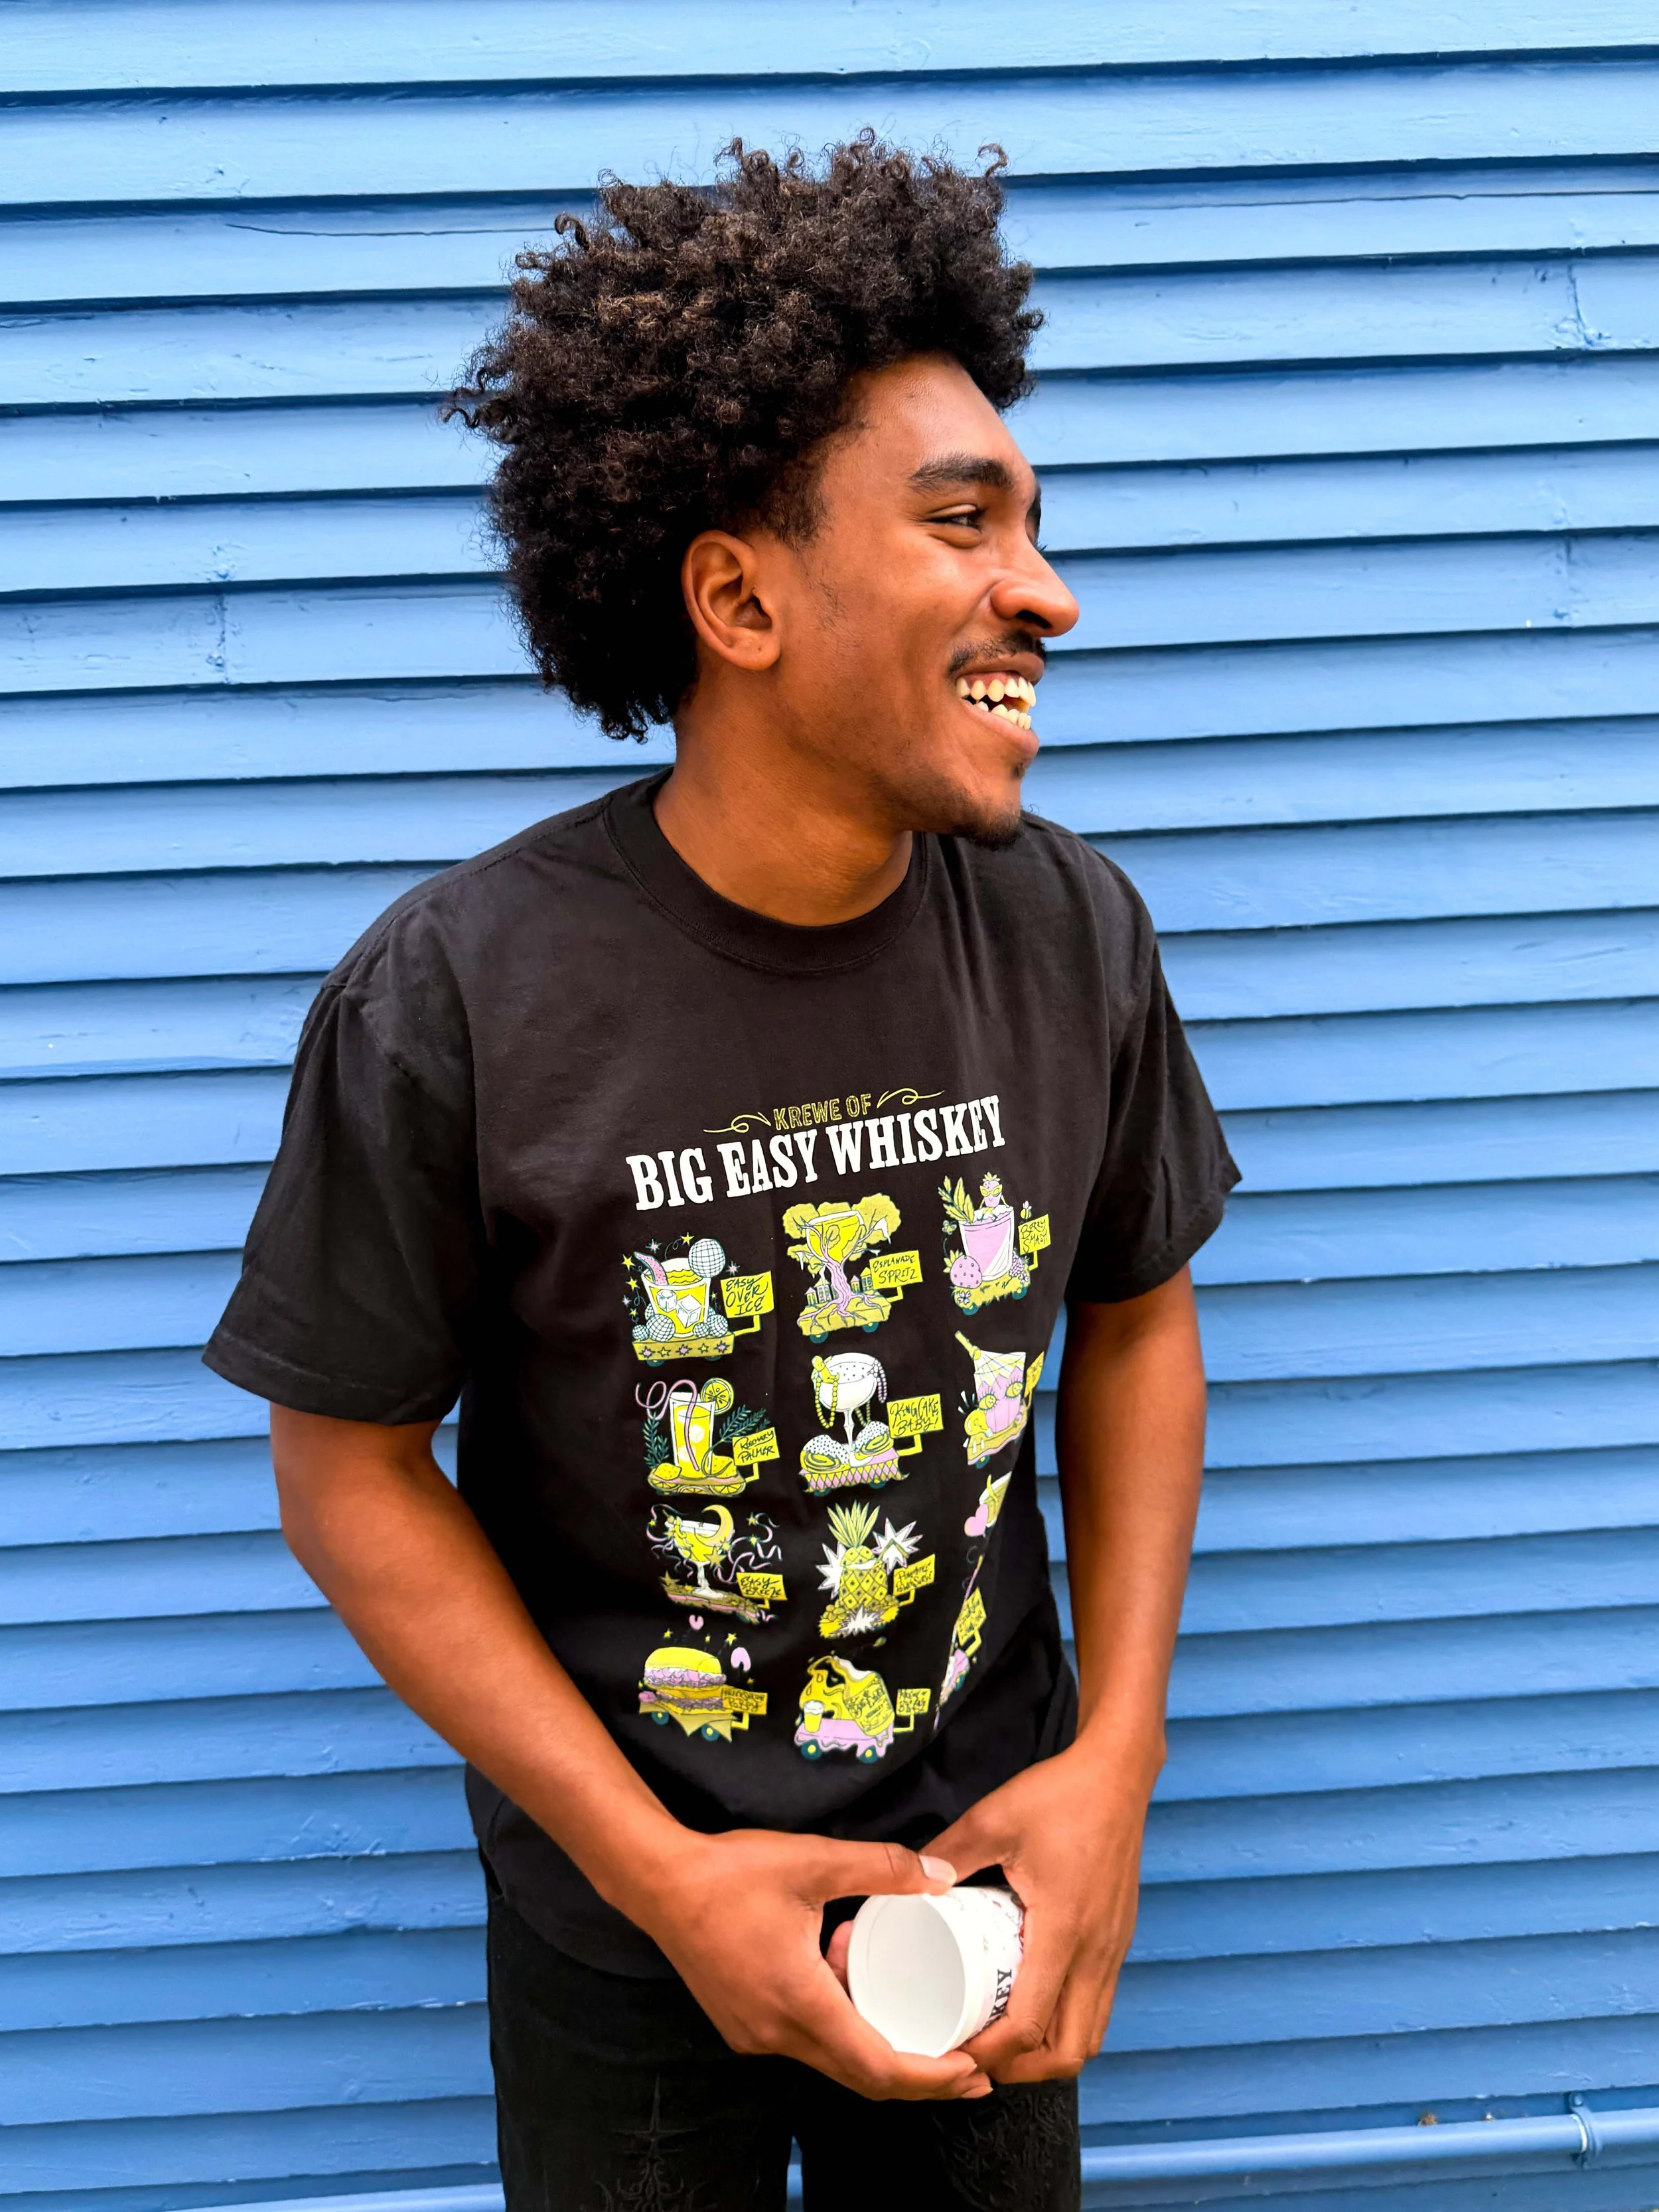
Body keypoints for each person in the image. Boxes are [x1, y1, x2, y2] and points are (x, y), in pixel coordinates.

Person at [204, 135, 1238, 2212]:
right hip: (626, 1921)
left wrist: (1107, 1762)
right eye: (962, 522)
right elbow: (348, 1466)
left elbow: (1134, 1322)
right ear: (739, 595)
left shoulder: (1073, 933)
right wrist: (659, 1874)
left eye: (1032, 521)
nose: (1042, 586)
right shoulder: (459, 993)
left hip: (981, 1875)